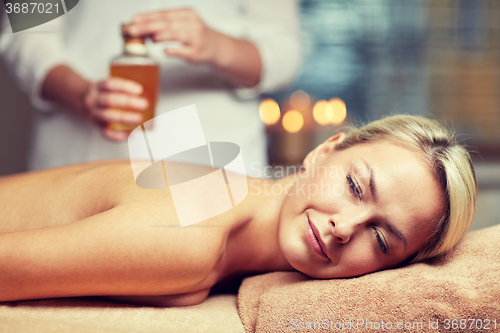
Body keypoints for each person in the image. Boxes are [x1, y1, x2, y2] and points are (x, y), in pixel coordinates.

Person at [0, 115, 477, 307]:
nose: (344, 228)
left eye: (381, 239)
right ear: (324, 150)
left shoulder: (228, 211)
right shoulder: (192, 233)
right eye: (354, 185)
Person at [0, 0, 301, 177]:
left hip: (208, 162)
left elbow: (283, 53)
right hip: (76, 156)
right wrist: (80, 93)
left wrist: (217, 45)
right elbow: (24, 30)